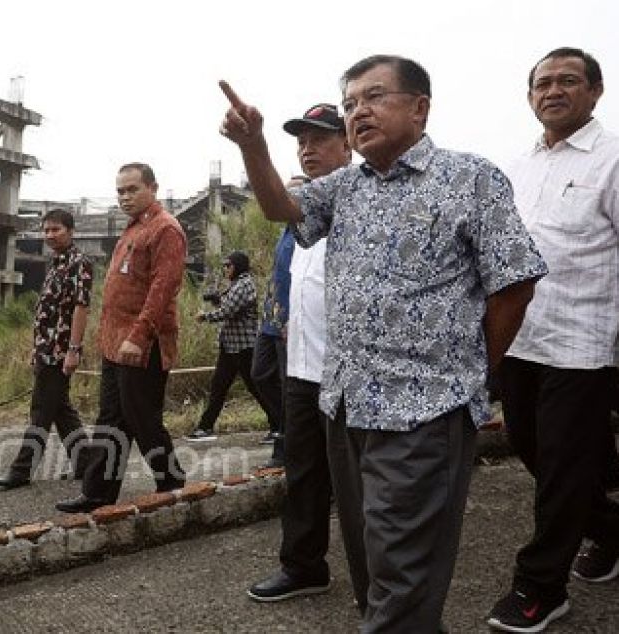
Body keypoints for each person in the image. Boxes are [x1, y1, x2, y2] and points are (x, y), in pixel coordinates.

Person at [219, 55, 548, 633]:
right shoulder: (343, 186)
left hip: (425, 411)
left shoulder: (470, 178)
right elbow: (282, 209)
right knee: (377, 572)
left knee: (400, 582)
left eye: (373, 97)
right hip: (344, 407)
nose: (357, 112)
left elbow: (514, 283)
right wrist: (253, 145)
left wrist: (474, 370)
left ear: (419, 107)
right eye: (349, 104)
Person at [486, 47, 619, 633]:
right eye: (543, 83)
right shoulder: (518, 165)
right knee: (534, 450)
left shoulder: (613, 160)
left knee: (564, 464)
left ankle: (541, 586)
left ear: (596, 91)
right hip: (522, 337)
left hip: (584, 342)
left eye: (569, 80)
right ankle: (612, 531)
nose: (553, 90)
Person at [246, 103, 367, 606]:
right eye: (301, 141)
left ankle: (380, 592)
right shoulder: (301, 212)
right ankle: (303, 566)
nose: (308, 149)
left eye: (320, 139)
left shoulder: (364, 202)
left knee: (361, 489)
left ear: (348, 144)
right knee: (303, 475)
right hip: (302, 368)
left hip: (350, 374)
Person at [55, 162, 187, 513]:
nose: (125, 197)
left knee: (143, 419)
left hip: (143, 346)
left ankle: (172, 484)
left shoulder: (166, 230)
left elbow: (163, 289)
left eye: (133, 189)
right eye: (120, 191)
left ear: (153, 188)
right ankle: (97, 493)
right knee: (111, 419)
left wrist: (139, 336)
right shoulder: (132, 229)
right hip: (115, 344)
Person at [0, 208, 91, 488]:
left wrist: (73, 349)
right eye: (46, 230)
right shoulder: (56, 262)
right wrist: (36, 348)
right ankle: (86, 463)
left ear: (70, 231)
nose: (49, 235)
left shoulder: (79, 263)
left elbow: (81, 308)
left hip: (60, 351)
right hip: (45, 348)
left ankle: (21, 470)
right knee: (60, 409)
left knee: (41, 411)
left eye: (55, 229)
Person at [187, 250, 258, 442]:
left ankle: (279, 426)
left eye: (229, 265)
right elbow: (230, 306)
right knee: (218, 387)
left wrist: (205, 316)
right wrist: (217, 299)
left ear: (238, 266)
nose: (226, 269)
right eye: (225, 266)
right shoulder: (237, 284)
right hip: (230, 346)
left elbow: (228, 311)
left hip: (244, 347)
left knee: (257, 388)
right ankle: (205, 427)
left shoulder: (244, 284)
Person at [252, 221, 293, 467]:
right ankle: (283, 428)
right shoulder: (285, 232)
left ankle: (285, 447)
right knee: (260, 375)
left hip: (291, 322)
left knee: (289, 387)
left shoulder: (313, 233)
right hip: (271, 320)